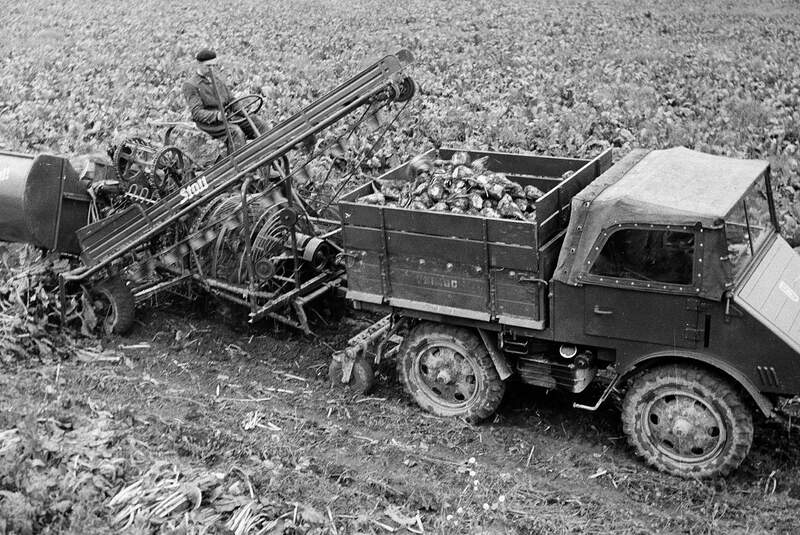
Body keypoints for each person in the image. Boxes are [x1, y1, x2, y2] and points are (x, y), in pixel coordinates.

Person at [182, 48, 267, 153]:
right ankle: (239, 164)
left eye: (214, 65)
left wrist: (244, 111)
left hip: (227, 117)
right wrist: (217, 116)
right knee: (235, 132)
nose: (211, 69)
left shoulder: (217, 80)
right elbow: (197, 112)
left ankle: (271, 152)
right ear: (199, 64)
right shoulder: (191, 85)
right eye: (208, 66)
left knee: (256, 121)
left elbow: (231, 100)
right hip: (210, 124)